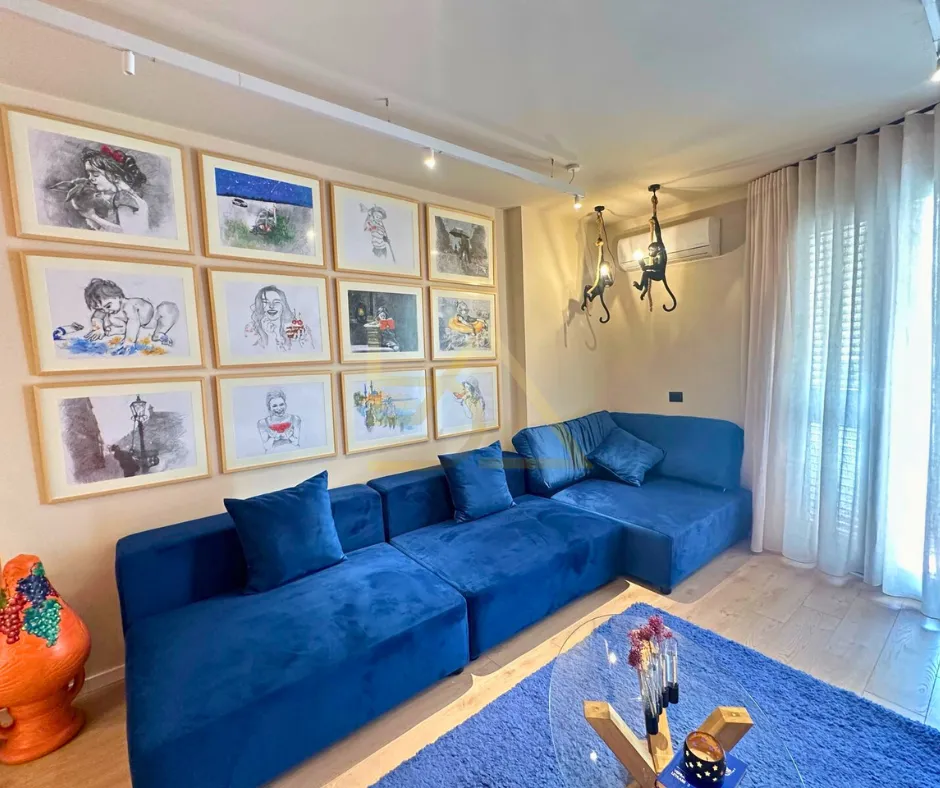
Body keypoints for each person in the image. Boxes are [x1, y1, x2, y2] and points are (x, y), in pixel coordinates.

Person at [50, 144, 150, 234]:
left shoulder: (123, 197)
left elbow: (126, 233)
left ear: (113, 175)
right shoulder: (127, 195)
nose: (90, 178)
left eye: (95, 173)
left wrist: (92, 216)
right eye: (88, 174)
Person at [83, 278, 179, 352]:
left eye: (108, 306)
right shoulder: (108, 309)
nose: (105, 311)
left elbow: (134, 322)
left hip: (153, 318)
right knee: (112, 320)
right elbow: (96, 317)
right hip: (132, 324)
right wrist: (98, 328)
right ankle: (118, 330)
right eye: (101, 309)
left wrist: (129, 342)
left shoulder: (128, 305)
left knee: (167, 309)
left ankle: (159, 333)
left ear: (118, 296)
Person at [247, 286, 306, 350]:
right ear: (260, 305)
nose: (271, 306)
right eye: (266, 302)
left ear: (283, 305)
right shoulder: (251, 329)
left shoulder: (296, 327)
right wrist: (268, 336)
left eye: (277, 302)